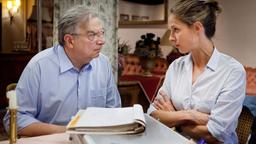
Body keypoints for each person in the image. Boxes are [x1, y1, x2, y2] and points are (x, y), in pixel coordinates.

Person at [3, 5, 121, 137]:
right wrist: (67, 131)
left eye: (102, 33)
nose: (102, 41)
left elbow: (114, 110)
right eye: (92, 35)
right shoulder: (39, 66)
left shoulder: (103, 63)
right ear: (70, 41)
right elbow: (15, 120)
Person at [147, 0, 246, 143]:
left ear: (197, 28)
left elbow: (215, 134)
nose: (170, 37)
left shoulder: (233, 72)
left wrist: (174, 118)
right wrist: (190, 115)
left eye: (176, 29)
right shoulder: (176, 66)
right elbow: (153, 114)